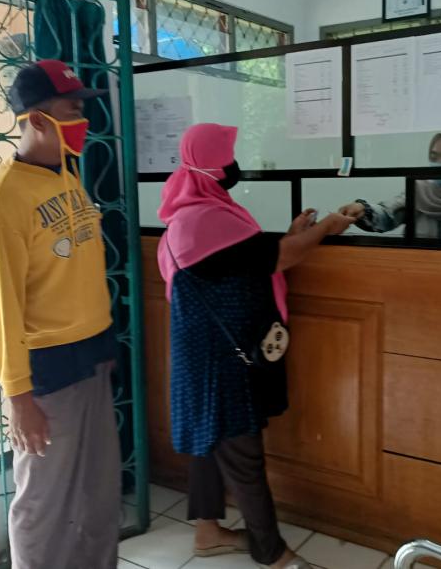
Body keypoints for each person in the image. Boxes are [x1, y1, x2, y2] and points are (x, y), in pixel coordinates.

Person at [157, 123, 354, 569]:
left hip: (203, 352)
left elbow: (245, 257)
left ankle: (208, 532)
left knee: (210, 440)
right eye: (226, 157)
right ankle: (272, 552)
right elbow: (276, 259)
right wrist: (325, 228)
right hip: (218, 361)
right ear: (210, 165)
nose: (233, 165)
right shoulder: (203, 220)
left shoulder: (196, 211)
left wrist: (293, 231)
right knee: (242, 450)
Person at [0, 60, 121, 568]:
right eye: (72, 110)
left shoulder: (66, 175)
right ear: (36, 119)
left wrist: (103, 349)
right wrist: (19, 398)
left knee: (99, 493)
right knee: (44, 504)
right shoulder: (0, 203)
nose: (84, 120)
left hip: (92, 355)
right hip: (48, 372)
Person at [339, 131, 441, 240]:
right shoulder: (419, 193)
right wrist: (363, 210)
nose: (439, 164)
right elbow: (387, 214)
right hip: (417, 269)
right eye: (433, 157)